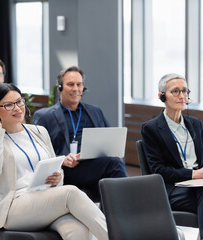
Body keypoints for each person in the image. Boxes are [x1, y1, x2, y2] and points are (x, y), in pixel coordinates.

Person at [0, 83, 108, 240]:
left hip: (45, 201)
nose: (17, 108)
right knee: (71, 192)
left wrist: (57, 178)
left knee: (77, 229)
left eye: (19, 101)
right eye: (9, 105)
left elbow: (57, 168)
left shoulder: (39, 132)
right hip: (14, 207)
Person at [33, 66, 128, 193]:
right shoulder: (45, 116)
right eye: (70, 84)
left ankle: (107, 212)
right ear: (60, 88)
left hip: (94, 165)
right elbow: (38, 153)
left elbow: (110, 141)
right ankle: (130, 206)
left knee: (110, 172)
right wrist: (63, 160)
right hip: (66, 170)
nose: (76, 89)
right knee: (113, 165)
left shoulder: (95, 112)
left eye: (79, 85)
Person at [141, 73, 203, 239]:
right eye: (175, 91)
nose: (182, 96)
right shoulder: (151, 128)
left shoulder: (195, 124)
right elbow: (158, 170)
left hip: (198, 183)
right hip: (172, 187)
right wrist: (193, 174)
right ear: (162, 97)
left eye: (184, 91)